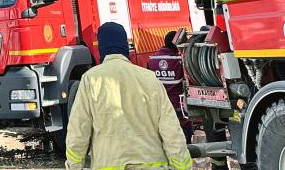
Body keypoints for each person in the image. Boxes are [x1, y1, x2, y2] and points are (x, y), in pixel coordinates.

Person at [65, 22, 192, 170]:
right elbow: (171, 131)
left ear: (101, 49)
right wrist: (183, 167)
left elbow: (78, 132)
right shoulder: (150, 78)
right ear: (125, 46)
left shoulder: (90, 79)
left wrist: (74, 166)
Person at [148, 30, 193, 142]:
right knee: (183, 137)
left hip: (160, 106)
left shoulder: (152, 60)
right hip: (179, 107)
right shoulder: (180, 60)